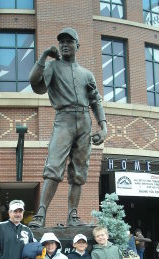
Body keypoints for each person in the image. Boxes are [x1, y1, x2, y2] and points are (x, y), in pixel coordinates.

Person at [28, 27, 107, 228]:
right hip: (63, 119)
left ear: (77, 46)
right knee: (54, 166)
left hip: (84, 121)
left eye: (69, 41)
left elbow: (95, 101)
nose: (64, 45)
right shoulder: (52, 67)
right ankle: (40, 214)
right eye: (62, 42)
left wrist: (103, 126)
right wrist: (45, 55)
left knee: (79, 172)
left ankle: (72, 216)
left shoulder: (87, 74)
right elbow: (35, 83)